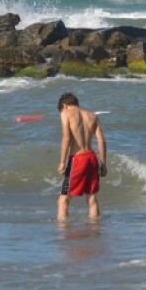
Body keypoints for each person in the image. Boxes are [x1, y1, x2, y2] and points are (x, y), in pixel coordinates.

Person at [56, 92, 107, 220]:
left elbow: (66, 138)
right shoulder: (93, 116)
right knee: (92, 198)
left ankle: (62, 233)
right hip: (92, 158)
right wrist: (103, 163)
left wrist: (62, 162)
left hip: (78, 159)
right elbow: (101, 140)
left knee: (63, 200)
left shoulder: (66, 113)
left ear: (65, 105)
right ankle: (95, 228)